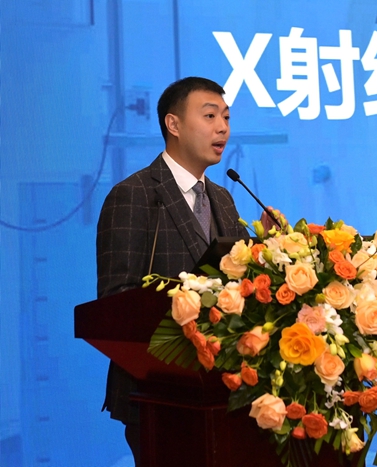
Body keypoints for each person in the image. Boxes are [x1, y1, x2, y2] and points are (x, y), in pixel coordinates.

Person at [96, 77, 249, 464]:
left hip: (221, 392)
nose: (222, 128)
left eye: (226, 117)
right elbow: (116, 302)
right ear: (173, 124)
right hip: (158, 394)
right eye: (210, 116)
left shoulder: (224, 199)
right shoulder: (134, 195)